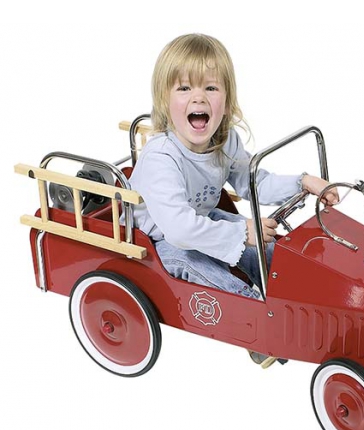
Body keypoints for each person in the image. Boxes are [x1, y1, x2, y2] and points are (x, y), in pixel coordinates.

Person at [130, 33, 338, 301]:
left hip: (203, 220)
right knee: (209, 269)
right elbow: (179, 229)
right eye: (184, 88)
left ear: (227, 103)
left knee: (264, 245)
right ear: (164, 102)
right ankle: (252, 311)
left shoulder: (225, 141)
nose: (198, 98)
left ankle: (304, 289)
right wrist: (241, 233)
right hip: (157, 241)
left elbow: (255, 183)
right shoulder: (161, 156)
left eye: (211, 88)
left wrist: (303, 182)